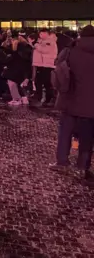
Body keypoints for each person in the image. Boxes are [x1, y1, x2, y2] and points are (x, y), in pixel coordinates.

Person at [51, 25, 94, 183]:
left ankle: (62, 161)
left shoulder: (70, 51)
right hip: (91, 105)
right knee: (87, 138)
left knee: (65, 133)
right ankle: (82, 167)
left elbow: (58, 66)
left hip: (69, 99)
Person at [32, 30, 58, 106]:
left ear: (47, 34)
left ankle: (48, 99)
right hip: (42, 65)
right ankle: (40, 97)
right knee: (38, 81)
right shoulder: (42, 41)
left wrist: (36, 45)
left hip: (47, 65)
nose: (40, 35)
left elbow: (44, 50)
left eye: (42, 33)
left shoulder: (50, 41)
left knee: (47, 83)